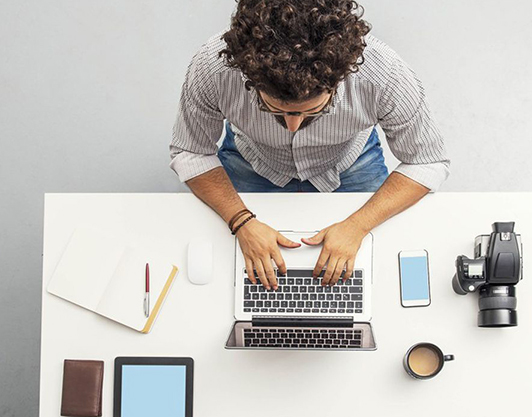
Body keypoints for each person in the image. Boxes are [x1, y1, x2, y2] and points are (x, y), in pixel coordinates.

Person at [170, 0, 450, 291]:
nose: (292, 126)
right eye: (274, 109)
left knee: (377, 274)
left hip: (351, 164)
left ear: (340, 80)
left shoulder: (384, 74)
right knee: (224, 277)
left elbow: (427, 161)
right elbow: (191, 151)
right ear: (249, 77)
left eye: (313, 111)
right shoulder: (214, 68)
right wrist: (241, 222)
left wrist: (358, 225)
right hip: (250, 162)